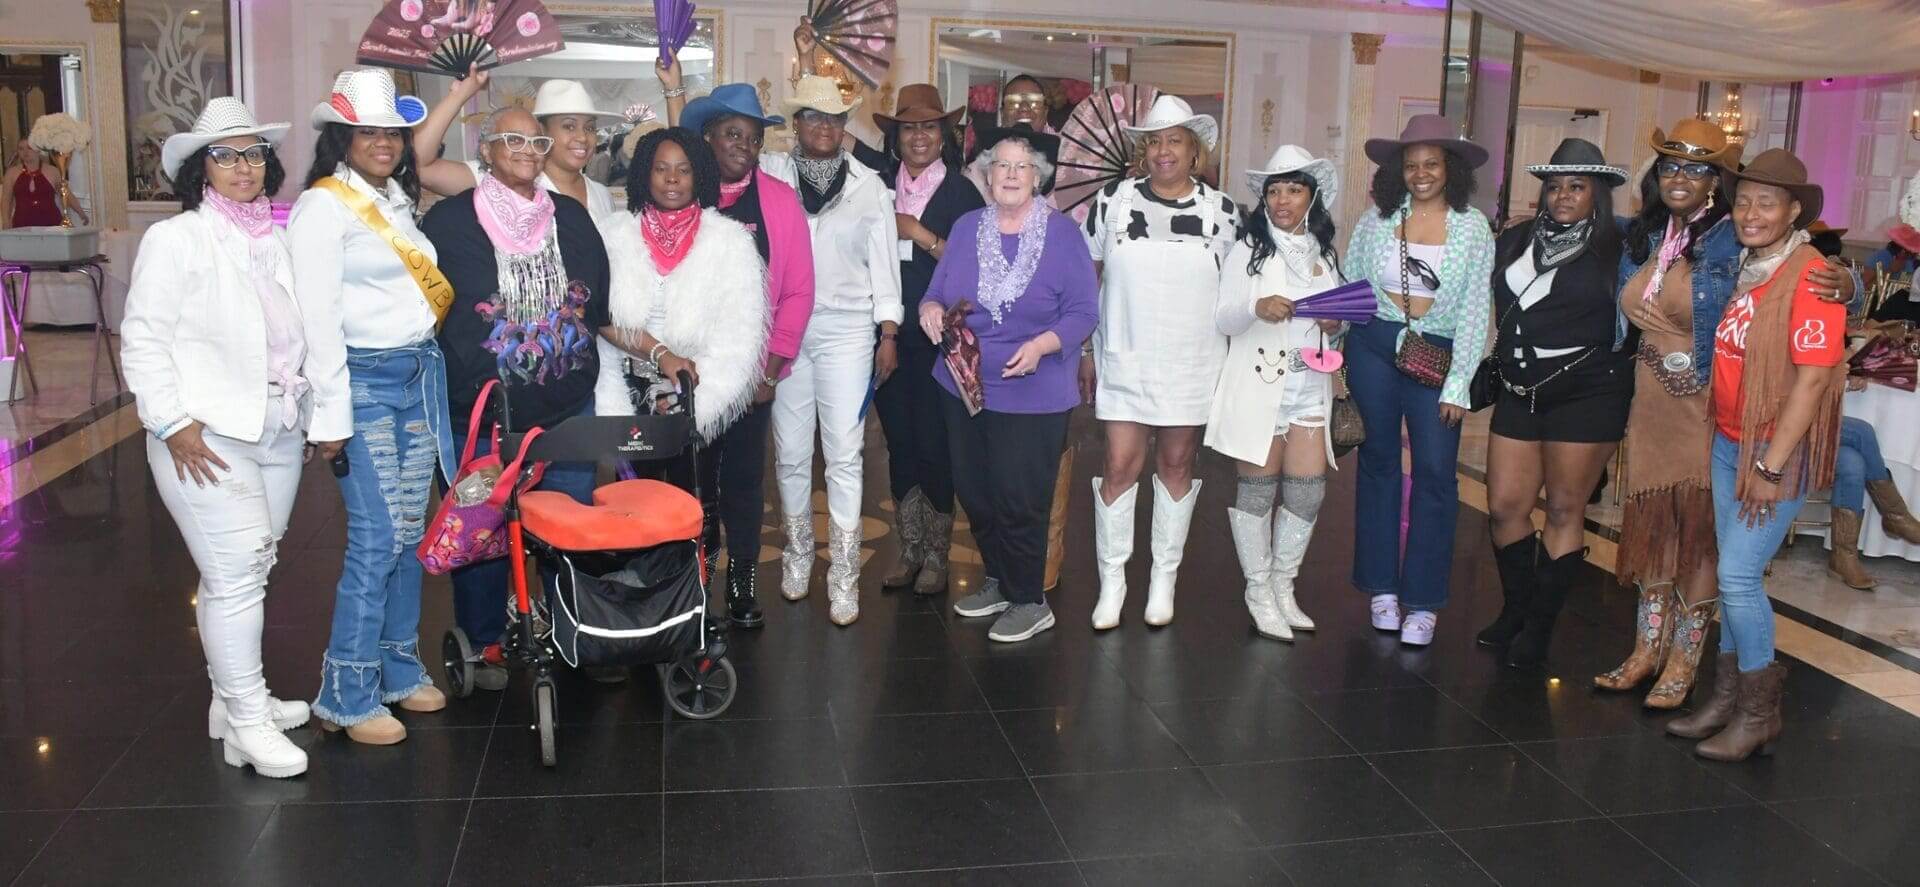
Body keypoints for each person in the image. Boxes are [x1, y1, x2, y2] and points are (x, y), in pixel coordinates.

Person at [1596, 119, 1857, 706]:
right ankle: (1646, 650)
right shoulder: (1645, 233)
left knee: (1700, 538)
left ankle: (1684, 663)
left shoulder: (1731, 237)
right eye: (1670, 166)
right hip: (1650, 405)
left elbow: (1804, 271)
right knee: (1656, 528)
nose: (1680, 178)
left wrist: (1849, 283)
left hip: (1705, 408)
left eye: (1696, 168)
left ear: (1716, 181)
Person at [121, 98, 310, 778]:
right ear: (201, 168)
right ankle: (248, 722)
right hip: (206, 434)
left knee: (247, 571)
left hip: (278, 427)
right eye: (225, 155)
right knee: (237, 576)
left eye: (253, 154)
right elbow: (142, 338)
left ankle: (228, 705)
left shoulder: (275, 238)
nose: (242, 167)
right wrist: (171, 422)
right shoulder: (177, 239)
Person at [291, 69, 456, 745]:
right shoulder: (323, 207)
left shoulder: (394, 200)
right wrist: (329, 418)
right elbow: (317, 320)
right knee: (377, 538)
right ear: (342, 138)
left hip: (416, 375)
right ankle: (347, 692)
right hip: (361, 383)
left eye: (392, 131)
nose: (384, 142)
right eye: (369, 132)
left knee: (411, 533)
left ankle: (397, 669)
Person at [419, 106, 611, 685]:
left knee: (569, 527)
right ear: (485, 149)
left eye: (535, 141)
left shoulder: (570, 217)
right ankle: (483, 644)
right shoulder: (449, 221)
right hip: (481, 416)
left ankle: (572, 632)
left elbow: (596, 301)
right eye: (511, 139)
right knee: (483, 532)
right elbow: (427, 308)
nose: (527, 150)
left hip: (566, 412)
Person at [1668, 148, 1845, 762]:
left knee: (1740, 578)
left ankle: (1758, 714)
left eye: (1766, 203)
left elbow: (1813, 380)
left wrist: (1771, 466)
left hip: (1773, 451)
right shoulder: (1749, 264)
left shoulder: (1810, 276)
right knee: (1731, 571)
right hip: (1730, 440)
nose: (1751, 213)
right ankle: (1726, 701)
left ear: (1794, 212)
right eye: (1743, 201)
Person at [923, 126, 1098, 643]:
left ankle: (1029, 599)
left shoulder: (1063, 235)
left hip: (1034, 390)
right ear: (986, 174)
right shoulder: (966, 227)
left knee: (1020, 498)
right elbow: (935, 292)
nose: (1012, 174)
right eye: (1002, 165)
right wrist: (929, 309)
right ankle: (1000, 581)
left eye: (1023, 166)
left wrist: (1042, 345)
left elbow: (1084, 313)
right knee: (976, 493)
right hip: (962, 384)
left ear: (1038, 177)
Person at [659, 61, 815, 629]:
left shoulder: (779, 201)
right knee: (692, 481)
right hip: (690, 374)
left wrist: (770, 372)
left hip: (753, 373)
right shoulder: (683, 197)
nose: (745, 148)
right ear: (708, 137)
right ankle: (695, 582)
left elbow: (798, 291)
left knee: (745, 482)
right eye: (733, 134)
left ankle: (744, 583)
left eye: (753, 138)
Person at [1082, 95, 1238, 630]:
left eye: (1175, 140)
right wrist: (1085, 349)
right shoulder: (1112, 201)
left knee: (1176, 464)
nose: (1163, 150)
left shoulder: (1223, 212)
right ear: (1143, 151)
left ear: (1195, 151)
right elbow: (1087, 280)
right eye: (1154, 141)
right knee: (1119, 464)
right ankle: (1113, 583)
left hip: (1192, 362)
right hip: (1125, 357)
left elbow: (1236, 294)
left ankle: (1163, 580)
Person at [1477, 139, 1631, 668]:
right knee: (1505, 507)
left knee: (1565, 508)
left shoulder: (1623, 247)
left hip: (1589, 390)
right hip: (1520, 387)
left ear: (1598, 193)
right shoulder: (1515, 239)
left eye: (1577, 186)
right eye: (1555, 186)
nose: (1563, 195)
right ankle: (1516, 610)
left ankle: (1539, 629)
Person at [1341, 114, 1493, 646]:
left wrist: (1459, 385)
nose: (1421, 174)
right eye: (1411, 165)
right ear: (1398, 171)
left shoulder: (1473, 227)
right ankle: (1381, 588)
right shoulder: (1377, 220)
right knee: (1378, 462)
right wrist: (1334, 341)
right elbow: (1353, 285)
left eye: (1431, 164)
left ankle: (1424, 601)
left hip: (1438, 354)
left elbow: (1475, 309)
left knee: (1435, 472)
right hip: (1374, 347)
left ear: (1450, 168)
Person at [756, 74, 902, 626]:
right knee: (791, 452)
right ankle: (797, 555)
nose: (824, 126)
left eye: (834, 118)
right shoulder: (771, 175)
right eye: (813, 116)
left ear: (845, 126)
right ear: (796, 124)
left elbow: (885, 268)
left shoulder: (870, 186)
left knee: (844, 452)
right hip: (785, 331)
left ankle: (844, 574)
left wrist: (888, 333)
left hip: (847, 330)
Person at [593, 127, 769, 555]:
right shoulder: (613, 235)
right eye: (661, 169)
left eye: (684, 170)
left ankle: (695, 589)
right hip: (628, 391)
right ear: (644, 174)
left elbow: (738, 336)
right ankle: (643, 587)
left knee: (696, 502)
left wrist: (693, 400)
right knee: (633, 506)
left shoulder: (730, 241)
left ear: (700, 175)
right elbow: (599, 319)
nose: (672, 179)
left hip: (697, 390)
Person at [847, 83, 985, 598]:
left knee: (935, 444)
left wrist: (918, 233)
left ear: (943, 135)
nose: (919, 137)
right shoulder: (876, 185)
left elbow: (975, 268)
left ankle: (937, 556)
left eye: (929, 127)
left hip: (939, 341)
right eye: (909, 128)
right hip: (885, 336)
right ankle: (908, 550)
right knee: (899, 443)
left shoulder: (963, 194)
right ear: (896, 137)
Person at [1205, 146, 1343, 642]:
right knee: (1258, 491)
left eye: (1294, 190)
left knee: (1308, 492)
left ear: (1312, 197)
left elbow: (1340, 319)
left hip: (1310, 387)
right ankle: (1258, 591)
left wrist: (1336, 323)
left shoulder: (1324, 251)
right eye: (1275, 191)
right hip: (1260, 386)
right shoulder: (1249, 248)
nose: (1283, 200)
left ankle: (1284, 586)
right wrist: (1255, 308)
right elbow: (1223, 317)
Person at [415, 71, 620, 221]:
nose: (582, 137)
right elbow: (421, 167)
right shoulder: (503, 178)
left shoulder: (601, 194)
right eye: (569, 126)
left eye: (590, 128)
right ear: (542, 131)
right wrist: (459, 95)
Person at [1827, 412, 1920, 589]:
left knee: (1853, 463)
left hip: (1809, 422)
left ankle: (1842, 558)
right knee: (1862, 432)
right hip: (1783, 430)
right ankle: (1896, 516)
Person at [3, 139, 83, 227]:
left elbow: (66, 194)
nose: (25, 152)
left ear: (38, 150)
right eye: (21, 149)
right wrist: (6, 221)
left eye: (29, 148)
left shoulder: (52, 171)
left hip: (51, 222)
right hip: (22, 223)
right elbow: (6, 200)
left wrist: (81, 213)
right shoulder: (11, 173)